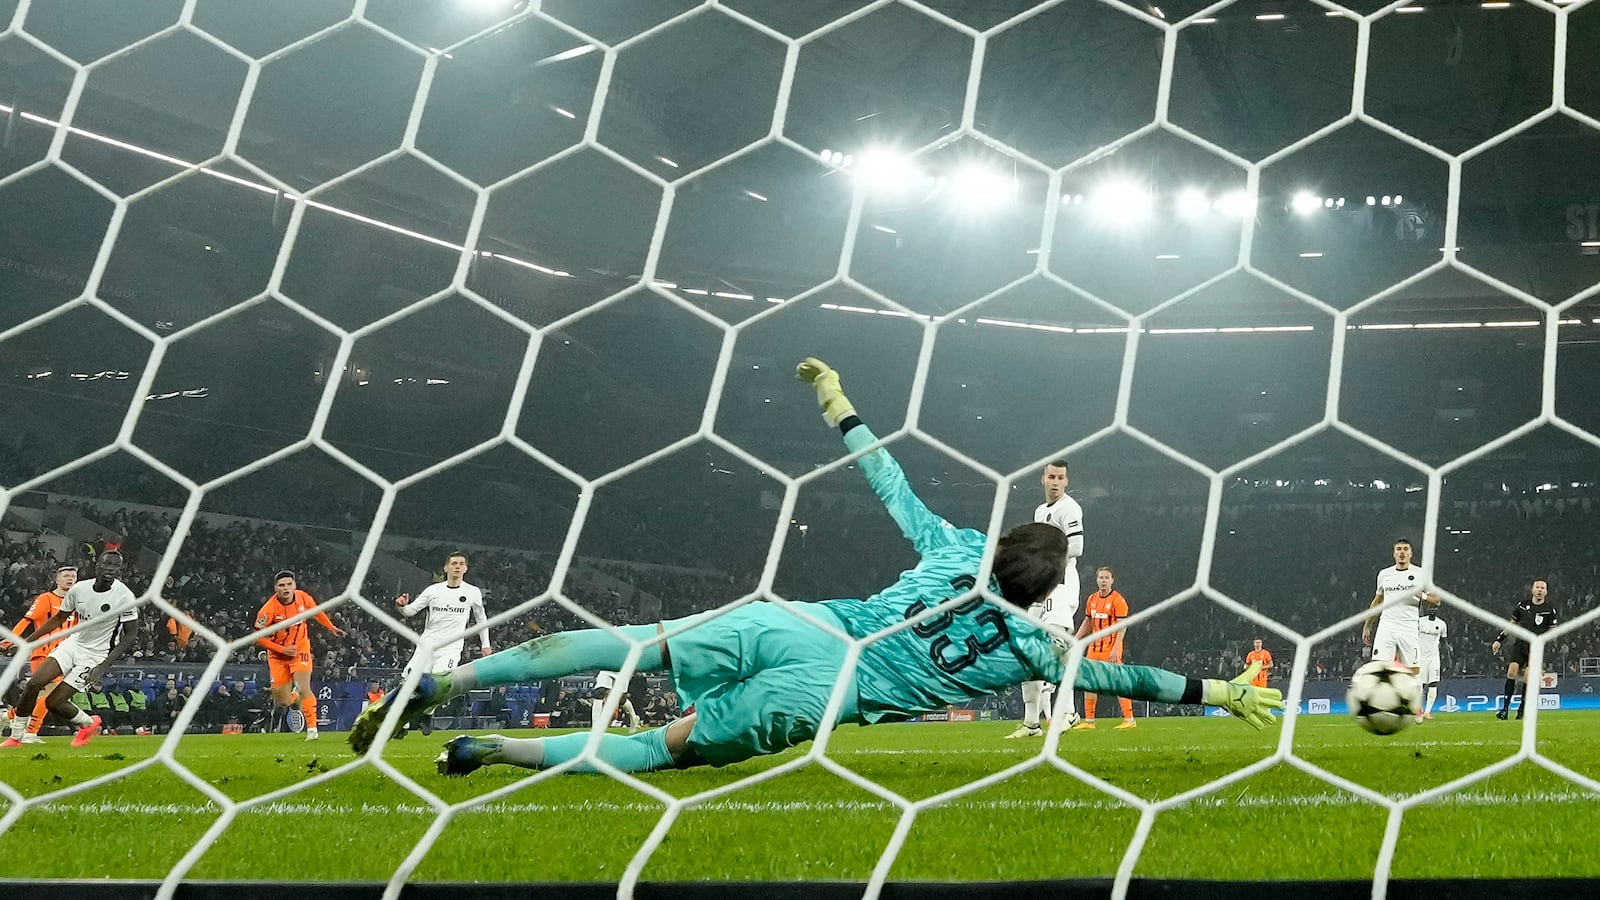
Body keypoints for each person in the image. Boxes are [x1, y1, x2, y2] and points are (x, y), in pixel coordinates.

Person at [348, 358, 1282, 774]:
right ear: (1047, 591)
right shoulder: (1030, 647)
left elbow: (888, 478)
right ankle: (484, 749)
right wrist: (1220, 690)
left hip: (802, 622)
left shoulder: (956, 547)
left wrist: (839, 404)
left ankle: (450, 679)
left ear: (1001, 548)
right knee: (656, 753)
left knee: (632, 645)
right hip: (821, 690)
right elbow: (1122, 673)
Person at [3, 552, 139, 747]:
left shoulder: (125, 596)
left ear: (120, 570)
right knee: (34, 683)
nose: (110, 569)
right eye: (106, 564)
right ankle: (16, 738)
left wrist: (102, 666)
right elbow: (58, 619)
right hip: (73, 644)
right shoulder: (79, 589)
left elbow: (131, 634)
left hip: (95, 656)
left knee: (53, 703)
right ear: (97, 565)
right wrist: (28, 643)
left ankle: (89, 723)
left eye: (115, 566)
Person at [1006, 460, 1084, 739]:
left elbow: (1076, 547)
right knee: (1028, 651)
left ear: (1066, 481)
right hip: (1040, 587)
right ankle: (1031, 724)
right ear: (1043, 479)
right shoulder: (1041, 511)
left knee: (1056, 650)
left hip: (1060, 584)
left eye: (1060, 477)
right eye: (1051, 476)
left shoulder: (1070, 508)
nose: (1055, 481)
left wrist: (1044, 559)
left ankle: (1069, 713)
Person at [394, 551, 490, 735]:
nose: (457, 566)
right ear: (446, 567)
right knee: (409, 683)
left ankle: (427, 713)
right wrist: (401, 605)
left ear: (466, 568)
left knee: (438, 685)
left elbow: (481, 619)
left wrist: (485, 644)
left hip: (451, 648)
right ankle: (402, 724)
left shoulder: (472, 592)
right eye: (454, 563)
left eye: (461, 563)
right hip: (426, 645)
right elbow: (410, 612)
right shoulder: (433, 591)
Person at [254, 570, 343, 740]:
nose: (286, 588)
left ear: (294, 585)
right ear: (275, 588)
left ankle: (312, 730)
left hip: (300, 649)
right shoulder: (268, 610)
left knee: (304, 687)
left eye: (289, 584)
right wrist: (281, 650)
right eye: (281, 585)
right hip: (277, 655)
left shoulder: (303, 598)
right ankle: (294, 698)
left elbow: (316, 612)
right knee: (284, 700)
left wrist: (331, 627)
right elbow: (257, 637)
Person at [1, 565, 77, 744]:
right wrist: (11, 640)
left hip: (65, 655)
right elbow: (26, 620)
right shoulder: (46, 599)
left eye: (73, 576)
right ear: (57, 579)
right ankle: (30, 732)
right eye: (65, 576)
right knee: (52, 692)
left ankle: (10, 715)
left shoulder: (76, 604)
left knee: (45, 696)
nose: (70, 579)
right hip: (43, 653)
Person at [1361, 539, 1440, 672]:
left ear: (1411, 553)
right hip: (1387, 625)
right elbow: (1377, 602)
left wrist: (1422, 595)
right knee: (1379, 671)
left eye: (1405, 549)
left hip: (1409, 627)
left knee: (1413, 673)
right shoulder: (1384, 575)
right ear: (1394, 554)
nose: (1402, 552)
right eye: (1399, 549)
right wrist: (1367, 625)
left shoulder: (1421, 574)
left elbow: (1437, 600)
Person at [1072, 566, 1135, 730]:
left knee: (1119, 682)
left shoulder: (1118, 600)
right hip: (1094, 648)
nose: (1103, 581)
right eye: (1101, 578)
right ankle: (1089, 721)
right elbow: (1088, 622)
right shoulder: (1092, 599)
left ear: (1112, 580)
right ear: (1097, 580)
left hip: (1110, 647)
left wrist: (1116, 648)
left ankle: (1129, 719)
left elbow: (1123, 626)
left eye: (1107, 578)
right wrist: (1076, 640)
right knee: (1089, 683)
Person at [1491, 579, 1559, 721]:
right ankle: (1504, 709)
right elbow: (1512, 624)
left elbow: (1552, 631)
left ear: (1546, 592)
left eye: (1543, 588)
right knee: (1511, 672)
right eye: (1537, 587)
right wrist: (1499, 640)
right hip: (1520, 644)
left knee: (1528, 677)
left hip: (1535, 648)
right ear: (1532, 590)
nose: (1540, 590)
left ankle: (1522, 710)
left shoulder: (1549, 610)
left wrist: (1541, 640)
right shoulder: (1523, 606)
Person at [1417, 609, 1447, 720]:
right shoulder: (1420, 622)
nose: (1433, 610)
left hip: (1434, 658)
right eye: (1431, 608)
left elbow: (1444, 643)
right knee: (1420, 685)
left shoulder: (1442, 624)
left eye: (1435, 608)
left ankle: (1427, 712)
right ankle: (1418, 710)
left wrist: (1448, 660)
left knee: (1433, 684)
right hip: (1421, 657)